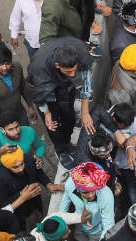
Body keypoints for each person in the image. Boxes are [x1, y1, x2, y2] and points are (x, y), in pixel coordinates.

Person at [26, 36, 94, 166]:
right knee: (54, 125)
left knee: (70, 119)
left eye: (75, 70)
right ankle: (60, 150)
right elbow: (37, 92)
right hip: (48, 94)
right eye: (69, 71)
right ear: (57, 65)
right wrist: (46, 113)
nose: (74, 74)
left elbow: (86, 82)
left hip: (66, 88)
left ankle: (67, 143)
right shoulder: (38, 68)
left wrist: (85, 112)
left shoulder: (80, 53)